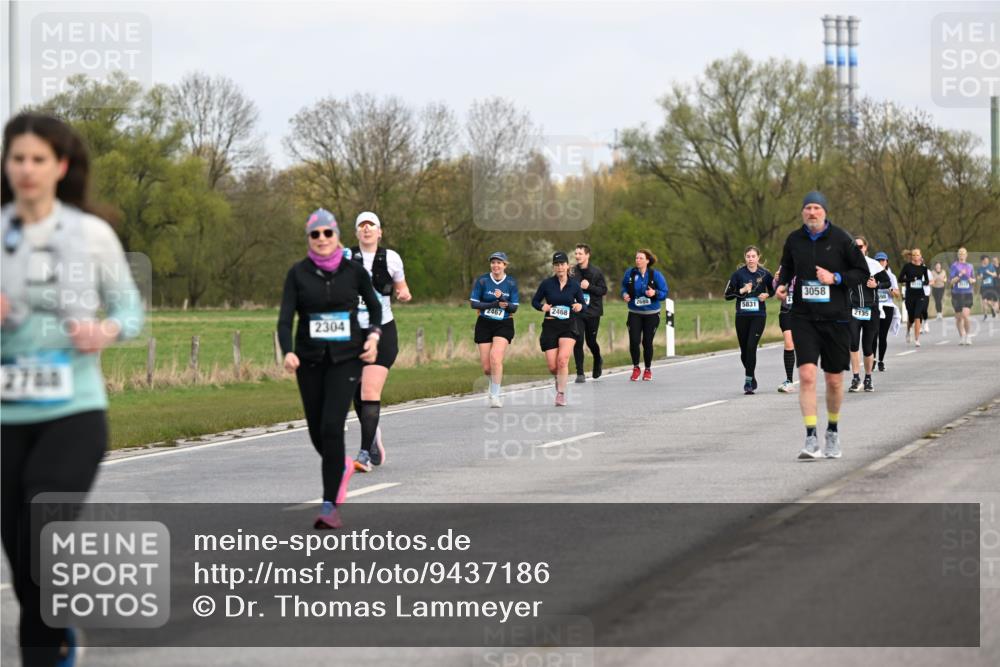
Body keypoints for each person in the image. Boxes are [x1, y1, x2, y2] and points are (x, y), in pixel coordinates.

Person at [2, 113, 145, 667]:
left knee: (44, 513)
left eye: (39, 159)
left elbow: (129, 308)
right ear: (7, 166)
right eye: (18, 159)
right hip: (6, 414)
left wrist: (103, 330)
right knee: (23, 561)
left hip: (74, 409)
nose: (28, 170)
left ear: (61, 166)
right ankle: (57, 627)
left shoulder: (90, 234)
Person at [278, 208, 382, 530]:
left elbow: (375, 306)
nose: (322, 239)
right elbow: (285, 319)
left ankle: (329, 506)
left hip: (346, 359)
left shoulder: (354, 272)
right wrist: (289, 352)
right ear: (309, 238)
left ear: (336, 236)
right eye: (315, 234)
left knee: (332, 426)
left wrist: (374, 337)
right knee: (315, 430)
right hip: (309, 361)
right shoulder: (298, 274)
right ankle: (341, 467)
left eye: (328, 233)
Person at [774, 191, 868, 461]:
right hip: (803, 318)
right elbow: (788, 269)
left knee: (835, 381)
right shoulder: (794, 239)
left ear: (824, 212)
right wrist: (780, 285)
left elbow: (861, 273)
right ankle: (811, 437)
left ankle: (833, 431)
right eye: (807, 208)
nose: (812, 212)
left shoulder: (841, 239)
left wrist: (835, 277)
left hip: (836, 318)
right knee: (806, 376)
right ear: (802, 212)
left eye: (816, 208)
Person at [349, 211, 411, 473]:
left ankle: (363, 455)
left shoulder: (391, 258)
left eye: (371, 226)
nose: (366, 230)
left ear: (379, 231)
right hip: (352, 332)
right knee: (356, 393)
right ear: (356, 232)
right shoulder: (345, 257)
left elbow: (402, 287)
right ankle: (371, 433)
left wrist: (404, 293)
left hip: (383, 330)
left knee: (370, 392)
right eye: (361, 226)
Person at [532, 252, 585, 406]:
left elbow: (583, 304)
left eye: (562, 264)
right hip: (550, 325)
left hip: (568, 326)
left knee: (562, 361)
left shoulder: (574, 284)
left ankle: (561, 394)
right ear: (554, 267)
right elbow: (535, 301)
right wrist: (543, 306)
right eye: (557, 265)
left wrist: (579, 305)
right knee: (552, 366)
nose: (560, 267)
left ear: (568, 266)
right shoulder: (547, 284)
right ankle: (558, 378)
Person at [470, 251, 519, 408]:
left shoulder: (511, 283)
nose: (495, 265)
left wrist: (503, 300)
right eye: (493, 262)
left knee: (496, 357)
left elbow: (514, 307)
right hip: (484, 323)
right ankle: (493, 383)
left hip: (503, 323)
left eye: (499, 262)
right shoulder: (483, 281)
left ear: (505, 265)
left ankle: (496, 395)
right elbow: (474, 304)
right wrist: (493, 304)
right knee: (486, 368)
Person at [724, 245, 774, 394]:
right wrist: (743, 290)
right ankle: (752, 376)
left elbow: (774, 289)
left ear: (758, 257)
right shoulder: (738, 275)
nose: (751, 259)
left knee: (752, 347)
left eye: (753, 256)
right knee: (744, 351)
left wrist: (767, 295)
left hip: (758, 316)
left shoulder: (765, 274)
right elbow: (727, 295)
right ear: (745, 258)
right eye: (748, 256)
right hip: (742, 316)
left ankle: (748, 382)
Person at [847, 236, 891, 393]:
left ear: (865, 247)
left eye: (860, 246)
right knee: (853, 343)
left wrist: (877, 284)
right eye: (855, 247)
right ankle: (855, 378)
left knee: (867, 346)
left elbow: (888, 282)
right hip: (853, 309)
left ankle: (868, 378)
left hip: (871, 310)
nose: (858, 249)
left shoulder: (874, 265)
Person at [621, 249, 669, 381]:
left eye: (641, 258)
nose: (637, 260)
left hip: (651, 313)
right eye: (636, 258)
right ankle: (636, 367)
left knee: (647, 342)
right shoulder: (630, 273)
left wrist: (655, 293)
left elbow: (665, 292)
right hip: (635, 313)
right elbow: (624, 287)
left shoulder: (656, 275)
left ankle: (647, 369)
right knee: (634, 341)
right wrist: (624, 294)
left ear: (647, 260)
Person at [570, 243, 607, 383]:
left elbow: (603, 290)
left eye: (580, 253)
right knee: (578, 340)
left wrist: (589, 287)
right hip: (578, 311)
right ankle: (580, 373)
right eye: (576, 253)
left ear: (587, 255)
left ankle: (598, 359)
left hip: (592, 312)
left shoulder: (596, 272)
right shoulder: (572, 272)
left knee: (591, 342)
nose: (577, 256)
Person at [871, 252, 901, 372]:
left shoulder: (891, 276)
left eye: (883, 260)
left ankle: (881, 361)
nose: (881, 263)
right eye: (878, 261)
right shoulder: (872, 275)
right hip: (875, 306)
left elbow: (897, 294)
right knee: (873, 335)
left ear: (887, 262)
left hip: (887, 306)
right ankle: (872, 360)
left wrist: (890, 289)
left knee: (882, 336)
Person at [898, 249, 930, 347]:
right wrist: (910, 280)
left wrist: (923, 282)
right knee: (911, 317)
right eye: (914, 255)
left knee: (917, 316)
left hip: (920, 295)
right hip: (910, 295)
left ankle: (917, 339)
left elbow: (927, 281)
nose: (916, 257)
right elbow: (900, 279)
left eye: (918, 255)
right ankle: (908, 331)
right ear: (911, 256)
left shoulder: (923, 268)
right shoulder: (907, 267)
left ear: (920, 256)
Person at [773, 266, 797, 393]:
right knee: (788, 343)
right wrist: (777, 280)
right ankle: (789, 380)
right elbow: (775, 289)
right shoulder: (784, 266)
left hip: (804, 311)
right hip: (786, 310)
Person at [949, 247, 976, 345]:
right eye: (960, 253)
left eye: (963, 253)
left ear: (966, 255)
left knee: (965, 315)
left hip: (967, 293)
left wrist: (971, 280)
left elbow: (974, 279)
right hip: (956, 294)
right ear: (958, 255)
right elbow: (951, 282)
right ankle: (961, 336)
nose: (961, 255)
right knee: (958, 318)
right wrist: (960, 275)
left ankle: (968, 336)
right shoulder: (954, 266)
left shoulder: (970, 266)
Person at [978, 254, 998, 320]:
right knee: (984, 301)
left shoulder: (991, 266)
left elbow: (995, 275)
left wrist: (989, 272)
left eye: (987, 260)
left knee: (988, 301)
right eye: (985, 260)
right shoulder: (980, 268)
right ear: (982, 261)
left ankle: (992, 308)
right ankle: (985, 315)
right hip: (983, 287)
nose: (987, 261)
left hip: (990, 286)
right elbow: (978, 277)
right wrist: (980, 277)